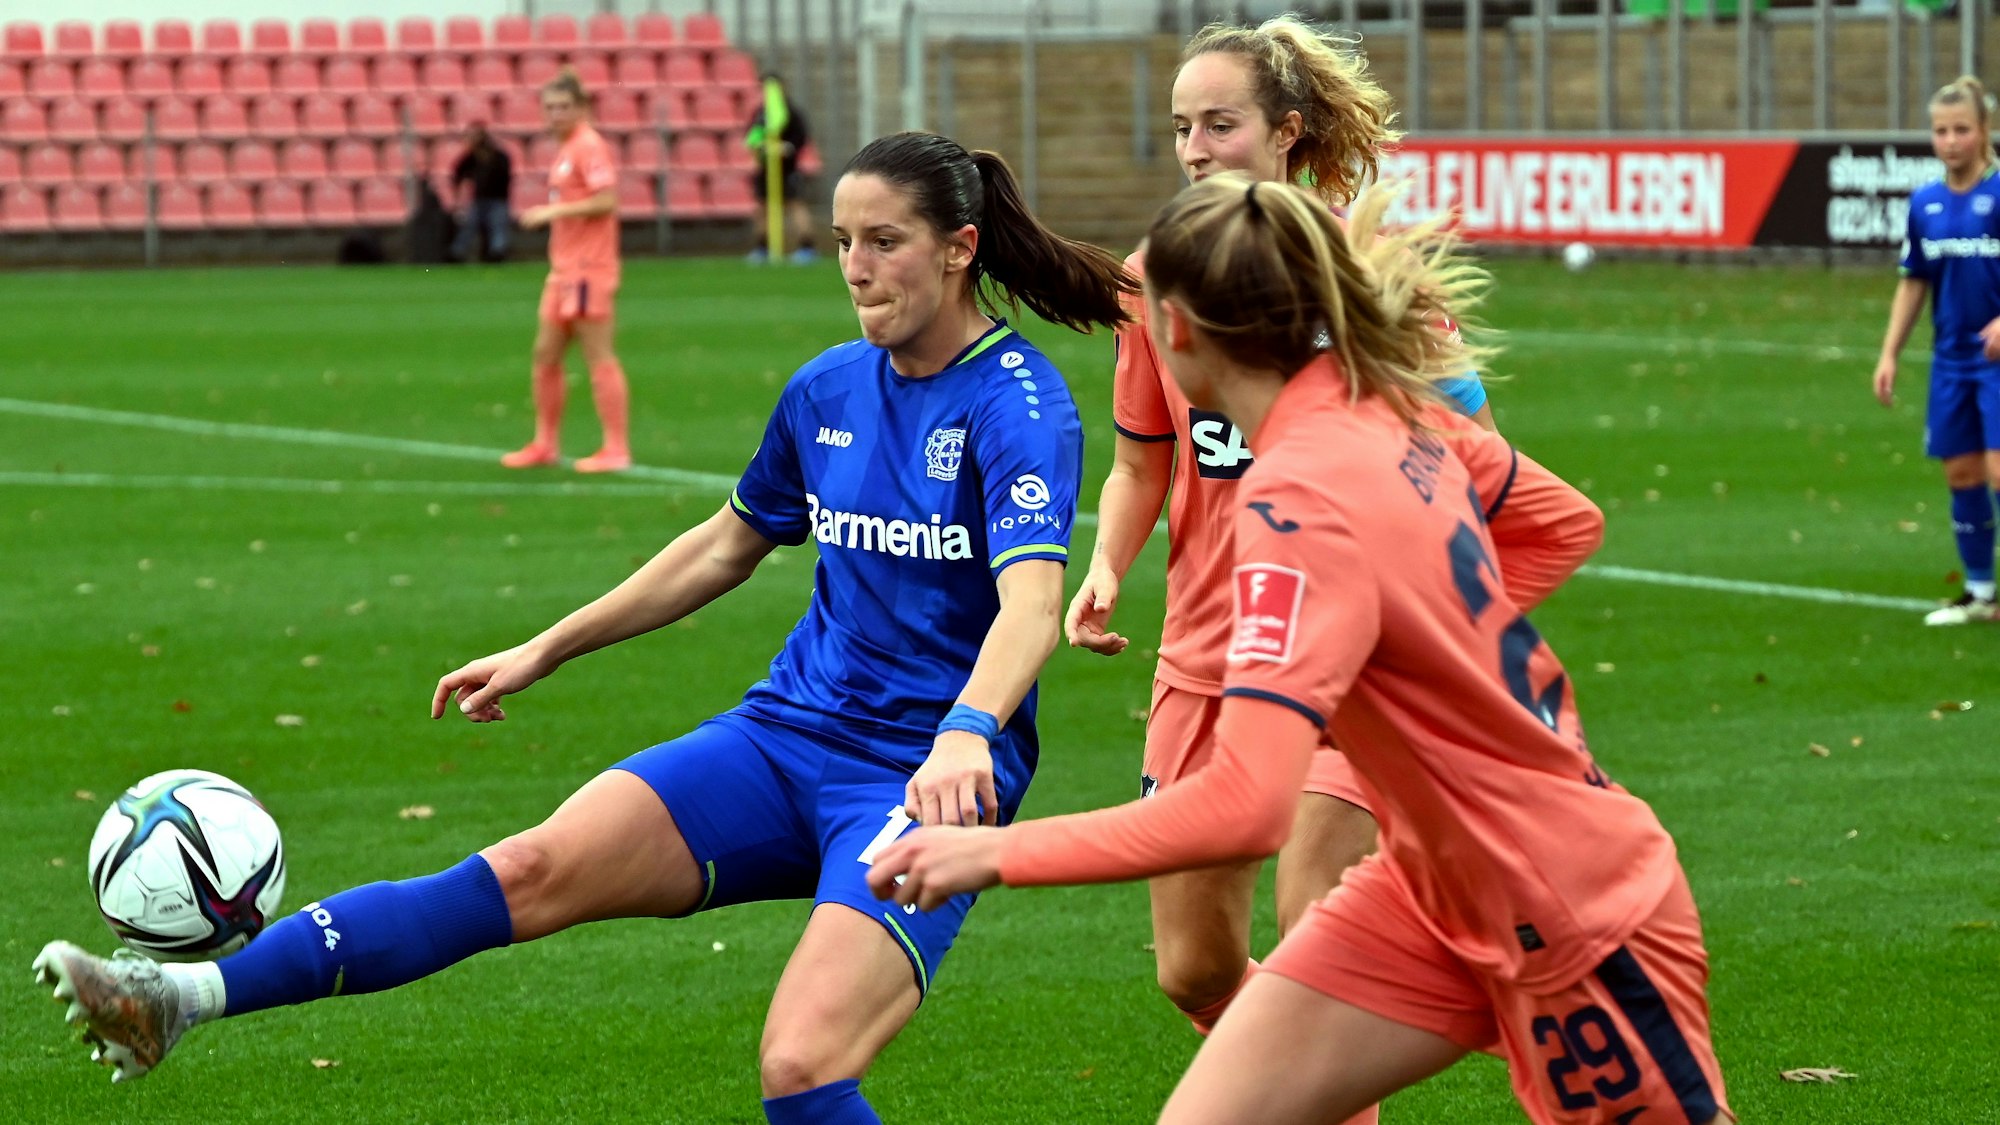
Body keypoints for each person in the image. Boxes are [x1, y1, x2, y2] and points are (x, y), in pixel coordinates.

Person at [32, 131, 1137, 1125]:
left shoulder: (1018, 405)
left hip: (917, 777)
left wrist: (964, 735)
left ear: (958, 248)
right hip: (782, 736)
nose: (853, 266)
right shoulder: (826, 389)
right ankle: (175, 996)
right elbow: (723, 545)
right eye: (843, 239)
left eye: (883, 242)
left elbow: (1030, 604)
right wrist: (549, 643)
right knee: (525, 868)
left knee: (802, 1068)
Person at [868, 176, 1731, 1125]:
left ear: (1182, 335)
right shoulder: (1393, 410)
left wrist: (996, 853)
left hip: (1569, 908)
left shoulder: (1294, 497)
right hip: (1423, 893)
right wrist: (1407, 650)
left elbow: (1245, 807)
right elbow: (1562, 521)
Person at [1065, 15, 1493, 1069]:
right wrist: (1107, 567)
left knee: (1318, 952)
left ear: (1287, 132)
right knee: (1194, 971)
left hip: (1346, 661)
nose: (1197, 148)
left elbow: (1474, 458)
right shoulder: (1151, 278)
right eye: (1181, 129)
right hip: (1205, 660)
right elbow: (1139, 461)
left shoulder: (1362, 270)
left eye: (1220, 123)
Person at [1873, 74, 2000, 625]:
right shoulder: (1924, 202)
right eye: (1941, 131)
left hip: (1998, 363)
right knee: (1962, 475)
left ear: (1985, 131)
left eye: (1962, 130)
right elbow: (1914, 281)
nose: (1950, 141)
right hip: (1951, 360)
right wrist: (1889, 353)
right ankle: (1980, 594)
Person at [502, 69, 631, 474]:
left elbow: (606, 200)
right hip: (564, 269)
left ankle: (615, 447)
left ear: (581, 108)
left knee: (598, 354)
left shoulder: (588, 146)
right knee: (545, 353)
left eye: (563, 107)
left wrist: (552, 211)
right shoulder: (566, 150)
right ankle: (546, 442)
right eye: (550, 107)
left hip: (588, 269)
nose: (555, 114)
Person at [745, 74, 818, 265]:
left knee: (794, 206)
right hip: (766, 169)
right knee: (763, 209)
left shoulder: (791, 113)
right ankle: (762, 248)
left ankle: (806, 247)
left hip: (787, 169)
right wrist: (761, 146)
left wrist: (787, 147)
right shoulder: (761, 113)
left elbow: (800, 138)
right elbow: (752, 137)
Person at [449, 122, 513, 263]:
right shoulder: (472, 157)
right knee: (469, 227)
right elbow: (457, 173)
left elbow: (505, 176)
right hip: (479, 199)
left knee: (497, 227)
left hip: (498, 199)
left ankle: (497, 253)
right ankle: (456, 253)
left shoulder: (498, 156)